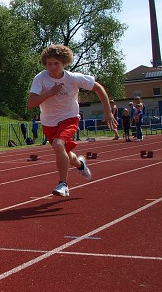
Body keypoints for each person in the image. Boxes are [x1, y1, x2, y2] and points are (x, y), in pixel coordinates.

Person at [27, 44, 116, 198]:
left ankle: (63, 184)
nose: (52, 67)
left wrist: (108, 112)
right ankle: (80, 164)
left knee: (58, 144)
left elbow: (98, 88)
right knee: (65, 153)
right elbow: (31, 104)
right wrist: (50, 93)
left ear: (64, 63)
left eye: (56, 63)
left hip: (69, 117)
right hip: (49, 121)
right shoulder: (40, 78)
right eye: (49, 64)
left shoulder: (73, 78)